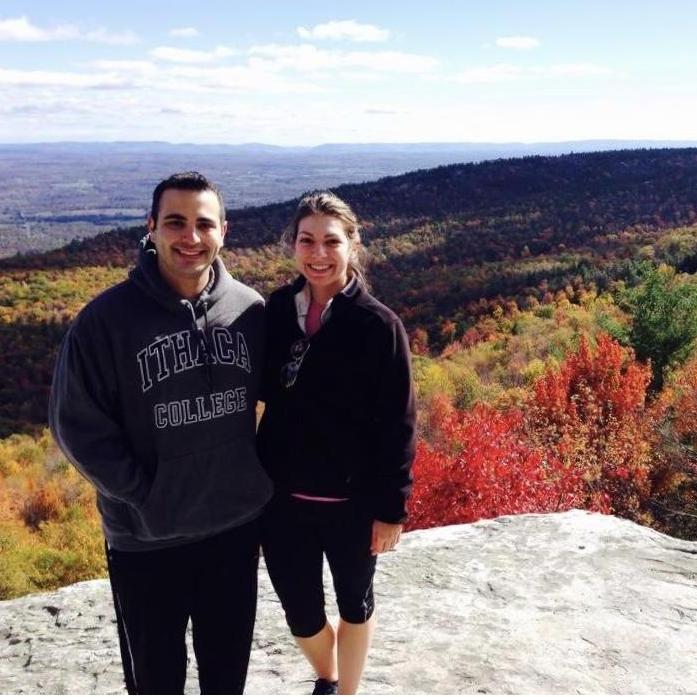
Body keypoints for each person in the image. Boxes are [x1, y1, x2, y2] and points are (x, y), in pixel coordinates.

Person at [49, 171, 273, 695]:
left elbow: (291, 399)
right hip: (145, 541)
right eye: (175, 222)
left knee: (226, 678)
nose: (189, 237)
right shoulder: (104, 322)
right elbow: (76, 427)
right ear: (151, 228)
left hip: (234, 529)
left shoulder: (250, 310)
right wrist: (146, 494)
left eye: (203, 224)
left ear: (224, 231)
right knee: (155, 682)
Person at [257, 191, 416, 695]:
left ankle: (343, 691)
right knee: (301, 614)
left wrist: (392, 510)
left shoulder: (378, 327)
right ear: (293, 245)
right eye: (307, 241)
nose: (318, 254)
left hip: (353, 504)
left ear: (353, 244)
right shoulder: (277, 311)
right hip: (282, 503)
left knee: (354, 602)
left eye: (331, 241)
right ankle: (327, 675)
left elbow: (399, 424)